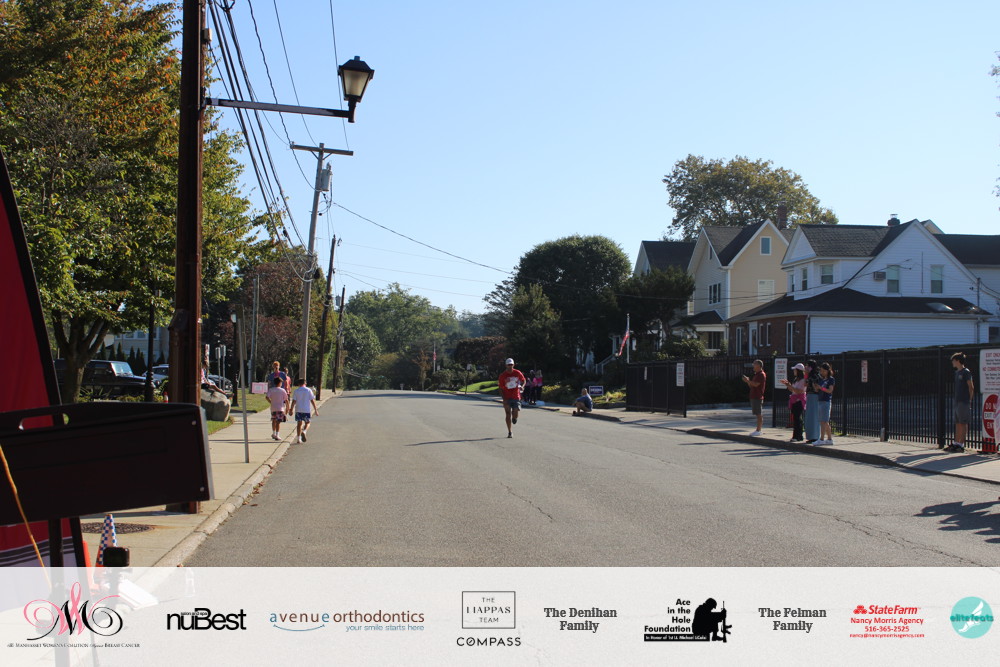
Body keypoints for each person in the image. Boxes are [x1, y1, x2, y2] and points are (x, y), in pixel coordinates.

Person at [947, 352, 975, 453]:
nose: (952, 363)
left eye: (953, 361)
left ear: (958, 361)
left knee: (963, 423)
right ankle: (956, 442)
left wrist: (969, 400)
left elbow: (971, 386)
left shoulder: (966, 372)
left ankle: (961, 444)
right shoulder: (957, 373)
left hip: (964, 401)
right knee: (958, 422)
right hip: (957, 401)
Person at [498, 358, 526, 438]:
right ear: (506, 365)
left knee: (515, 411)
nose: (510, 366)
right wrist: (504, 399)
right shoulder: (502, 376)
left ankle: (514, 418)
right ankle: (510, 432)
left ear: (513, 365)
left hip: (516, 396)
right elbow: (500, 388)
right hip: (507, 397)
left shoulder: (517, 373)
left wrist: (522, 386)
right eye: (508, 365)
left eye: (511, 364)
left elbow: (523, 380)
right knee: (508, 414)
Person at [781, 363, 807, 442]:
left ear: (798, 371)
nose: (794, 371)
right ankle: (797, 435)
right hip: (794, 400)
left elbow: (799, 391)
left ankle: (797, 436)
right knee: (795, 418)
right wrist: (788, 385)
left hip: (799, 401)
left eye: (795, 370)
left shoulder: (803, 380)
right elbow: (792, 390)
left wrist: (790, 386)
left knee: (797, 418)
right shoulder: (796, 379)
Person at [289, 377, 319, 444]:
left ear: (299, 384)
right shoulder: (308, 390)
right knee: (307, 423)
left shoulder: (296, 391)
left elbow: (294, 401)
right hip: (306, 410)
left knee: (299, 424)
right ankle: (304, 431)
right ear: (305, 383)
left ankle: (299, 439)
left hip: (298, 410)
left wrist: (291, 409)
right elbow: (312, 400)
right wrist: (315, 409)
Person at [741, 359, 766, 436]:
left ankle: (758, 430)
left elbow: (756, 384)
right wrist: (748, 381)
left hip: (758, 396)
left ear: (759, 365)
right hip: (754, 396)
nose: (753, 365)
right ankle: (758, 430)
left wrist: (748, 381)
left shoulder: (761, 374)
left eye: (754, 364)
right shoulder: (756, 374)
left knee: (759, 414)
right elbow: (752, 386)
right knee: (757, 413)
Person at [815, 362, 836, 445]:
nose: (822, 372)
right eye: (821, 371)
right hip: (820, 400)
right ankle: (830, 439)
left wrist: (821, 388)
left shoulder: (831, 379)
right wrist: (816, 387)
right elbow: (818, 390)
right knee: (824, 421)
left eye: (824, 371)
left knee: (824, 421)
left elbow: (830, 390)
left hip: (826, 401)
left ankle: (822, 439)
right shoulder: (822, 380)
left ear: (828, 371)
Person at [266, 376, 289, 441]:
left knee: (273, 421)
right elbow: (286, 400)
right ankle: (277, 434)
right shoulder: (282, 390)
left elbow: (267, 397)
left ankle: (273, 433)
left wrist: (271, 402)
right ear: (279, 383)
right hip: (280, 408)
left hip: (273, 408)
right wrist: (288, 407)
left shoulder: (271, 390)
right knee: (278, 422)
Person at [803, 358, 821, 443]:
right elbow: (805, 384)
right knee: (809, 417)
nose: (806, 367)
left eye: (807, 366)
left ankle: (815, 436)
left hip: (814, 396)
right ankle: (810, 436)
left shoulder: (815, 376)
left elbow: (814, 387)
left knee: (813, 416)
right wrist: (806, 375)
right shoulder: (809, 375)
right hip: (809, 395)